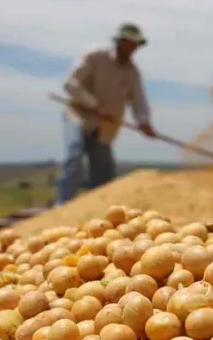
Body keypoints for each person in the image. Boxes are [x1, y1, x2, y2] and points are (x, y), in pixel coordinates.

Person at [56, 23, 158, 205]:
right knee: (75, 154)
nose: (132, 48)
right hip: (79, 116)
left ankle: (99, 211)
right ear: (120, 41)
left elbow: (138, 101)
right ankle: (62, 205)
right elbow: (71, 84)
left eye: (135, 44)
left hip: (106, 126)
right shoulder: (96, 57)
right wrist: (93, 104)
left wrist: (144, 122)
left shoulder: (133, 73)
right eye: (128, 43)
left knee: (103, 171)